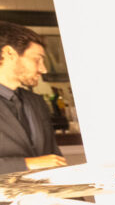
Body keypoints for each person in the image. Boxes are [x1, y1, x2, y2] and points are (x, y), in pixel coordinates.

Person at [0, 22, 66, 175]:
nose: (44, 69)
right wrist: (27, 164)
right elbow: (41, 162)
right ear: (9, 53)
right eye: (37, 59)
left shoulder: (36, 101)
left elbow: (54, 157)